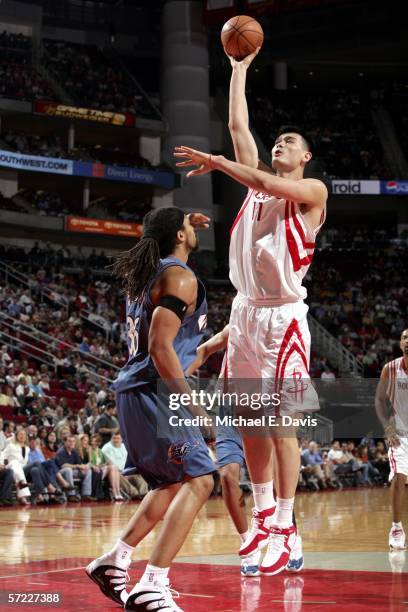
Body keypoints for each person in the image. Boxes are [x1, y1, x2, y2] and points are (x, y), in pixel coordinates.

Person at [174, 47, 327, 575]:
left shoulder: (309, 192)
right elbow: (239, 127)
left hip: (282, 317)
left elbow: (259, 177)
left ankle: (287, 524)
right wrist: (238, 70)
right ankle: (265, 519)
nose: (280, 144)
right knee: (250, 425)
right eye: (277, 140)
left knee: (281, 426)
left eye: (290, 142)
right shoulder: (254, 193)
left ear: (304, 157)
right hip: (244, 316)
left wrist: (219, 164)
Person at [86, 207, 216, 611]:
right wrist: (192, 402)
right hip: (156, 392)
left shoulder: (151, 273)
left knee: (170, 482)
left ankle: (115, 561)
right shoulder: (180, 276)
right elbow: (161, 348)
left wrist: (180, 224)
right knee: (201, 480)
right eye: (186, 229)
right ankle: (152, 585)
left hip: (134, 390)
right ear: (179, 236)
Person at [186, 324, 304, 576]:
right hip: (229, 409)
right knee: (228, 475)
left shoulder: (275, 324)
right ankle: (247, 544)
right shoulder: (238, 324)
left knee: (275, 485)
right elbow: (205, 349)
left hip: (262, 407)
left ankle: (289, 534)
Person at [375, 328, 408, 550]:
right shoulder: (390, 369)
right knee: (398, 476)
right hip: (400, 433)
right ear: (400, 342)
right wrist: (387, 427)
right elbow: (379, 400)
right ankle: (396, 527)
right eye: (406, 337)